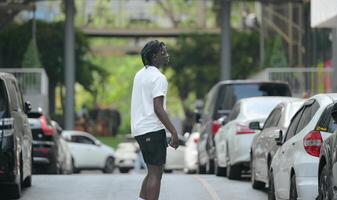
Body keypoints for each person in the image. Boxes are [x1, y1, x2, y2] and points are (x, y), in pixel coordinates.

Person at [131, 40, 179, 200]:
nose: (167, 55)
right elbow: (158, 108)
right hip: (152, 129)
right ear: (154, 57)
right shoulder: (159, 78)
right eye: (163, 53)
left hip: (139, 130)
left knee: (152, 171)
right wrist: (173, 131)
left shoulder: (139, 74)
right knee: (156, 174)